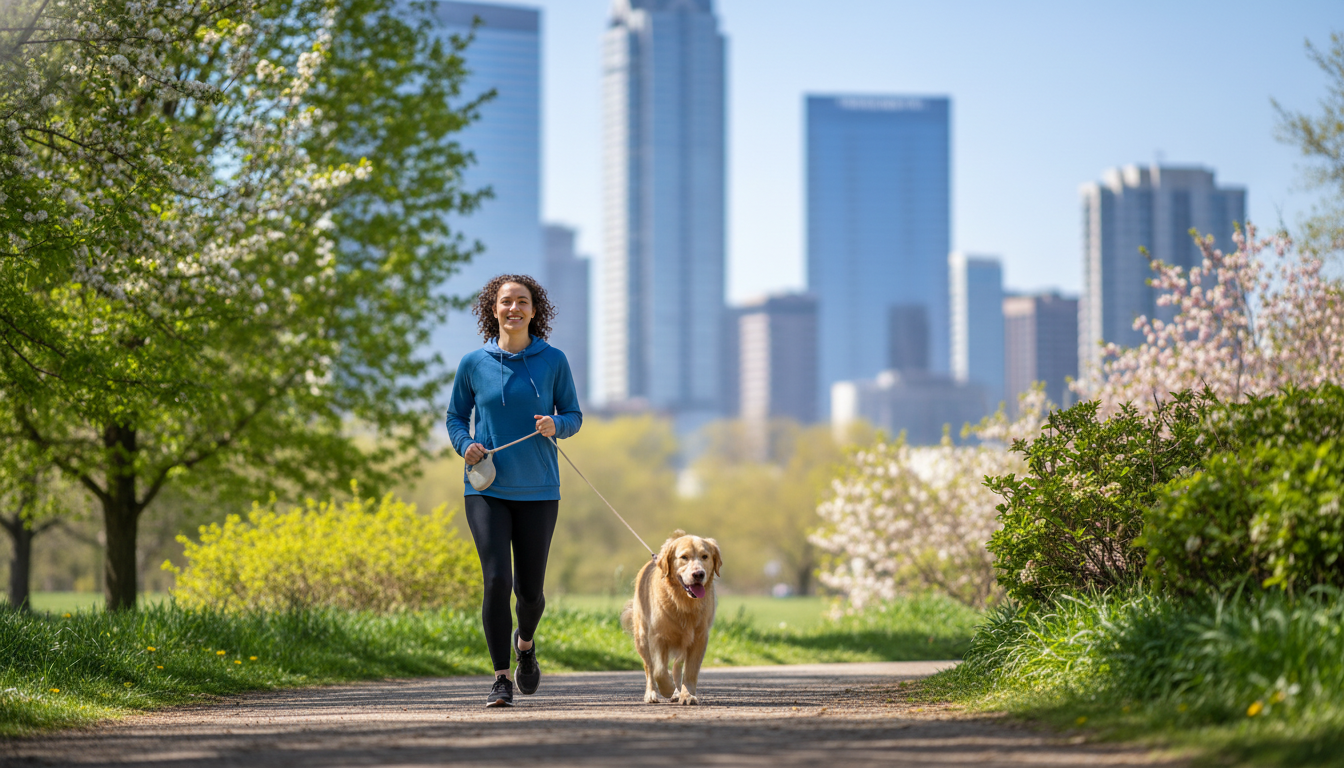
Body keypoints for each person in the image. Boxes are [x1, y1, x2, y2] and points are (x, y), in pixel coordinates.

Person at [445, 274, 582, 708]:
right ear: (493, 309)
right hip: (486, 487)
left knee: (530, 592)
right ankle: (500, 678)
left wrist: (556, 425)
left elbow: (574, 414)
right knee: (496, 580)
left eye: (522, 301)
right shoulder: (473, 363)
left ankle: (525, 645)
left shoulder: (553, 360)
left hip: (540, 489)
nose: (513, 308)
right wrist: (466, 446)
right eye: (505, 301)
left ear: (534, 310)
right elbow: (454, 418)